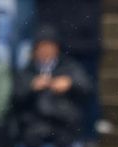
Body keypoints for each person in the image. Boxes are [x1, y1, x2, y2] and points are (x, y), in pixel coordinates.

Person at [12, 28, 90, 147]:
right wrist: (31, 87)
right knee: (29, 138)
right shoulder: (26, 71)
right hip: (34, 123)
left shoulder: (69, 67)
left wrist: (71, 84)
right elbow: (14, 98)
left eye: (49, 47)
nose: (46, 51)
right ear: (35, 50)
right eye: (42, 47)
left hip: (63, 122)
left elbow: (87, 89)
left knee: (66, 140)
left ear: (57, 48)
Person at [37, 0, 105, 137]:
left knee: (87, 93)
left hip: (85, 48)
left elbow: (90, 17)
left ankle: (88, 136)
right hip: (61, 45)